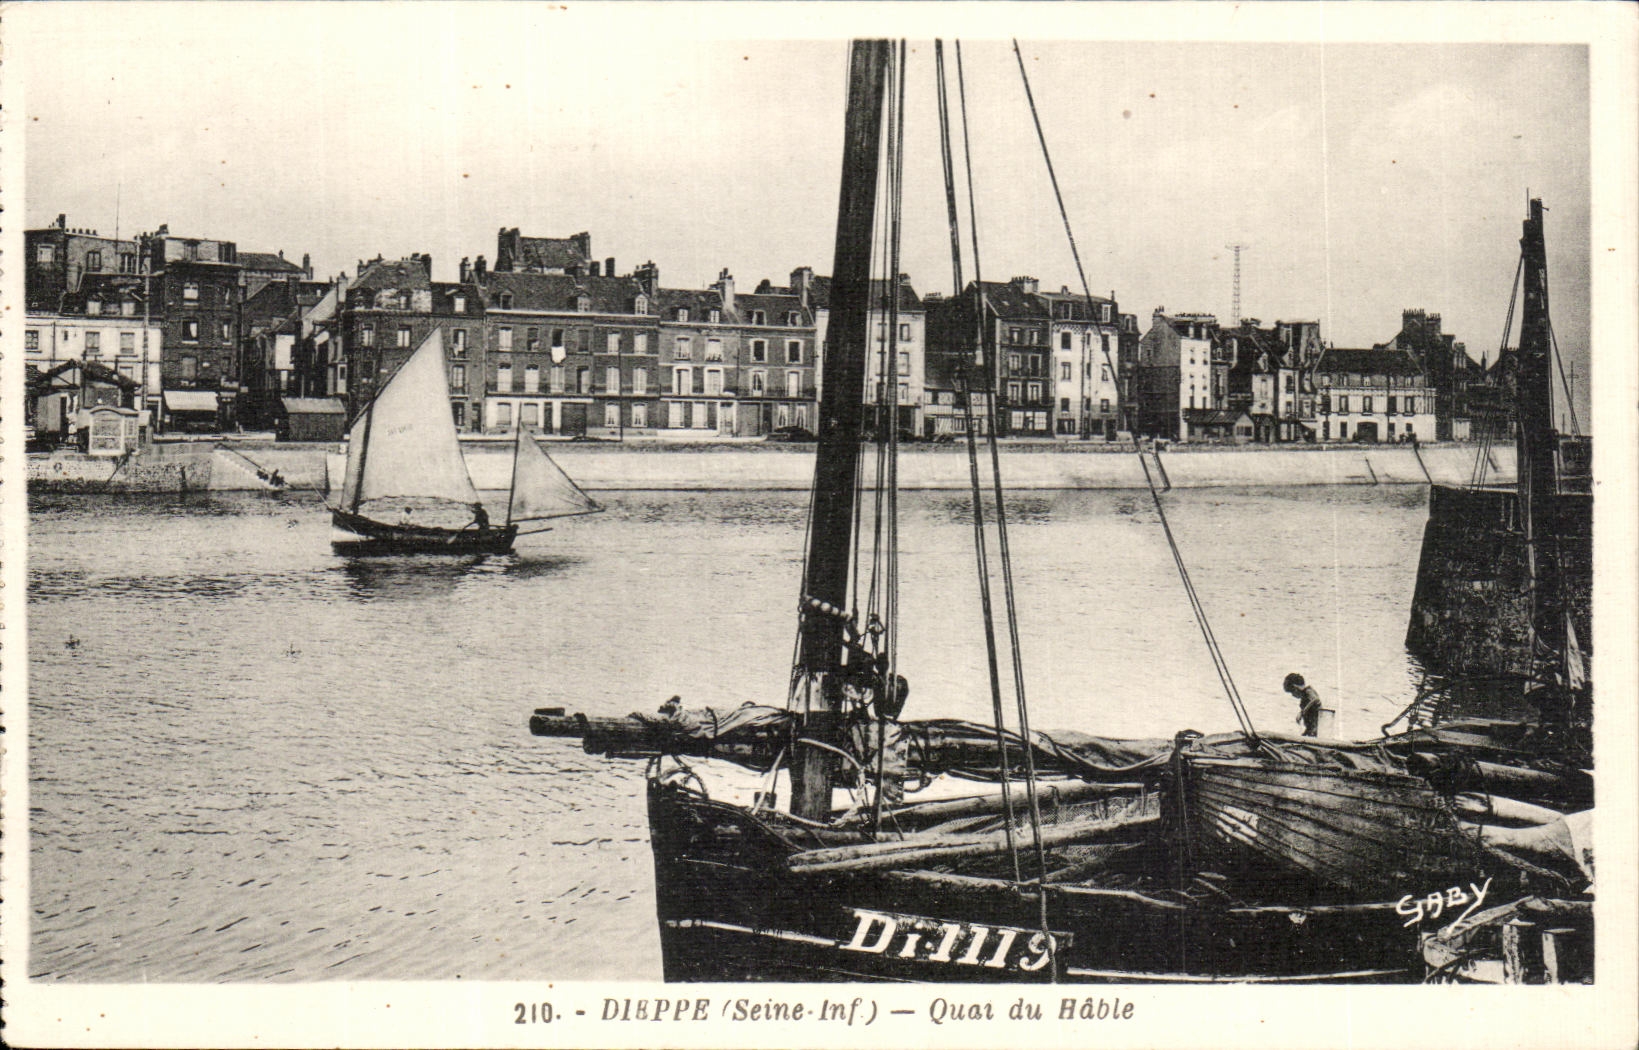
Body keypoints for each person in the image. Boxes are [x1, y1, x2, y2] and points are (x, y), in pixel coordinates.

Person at [1284, 672, 1323, 737]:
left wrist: (1302, 713)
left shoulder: (1308, 692)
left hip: (1316, 729)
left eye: (1292, 693)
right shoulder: (1305, 696)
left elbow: (1316, 700)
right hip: (1311, 729)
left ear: (1295, 688)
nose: (1293, 695)